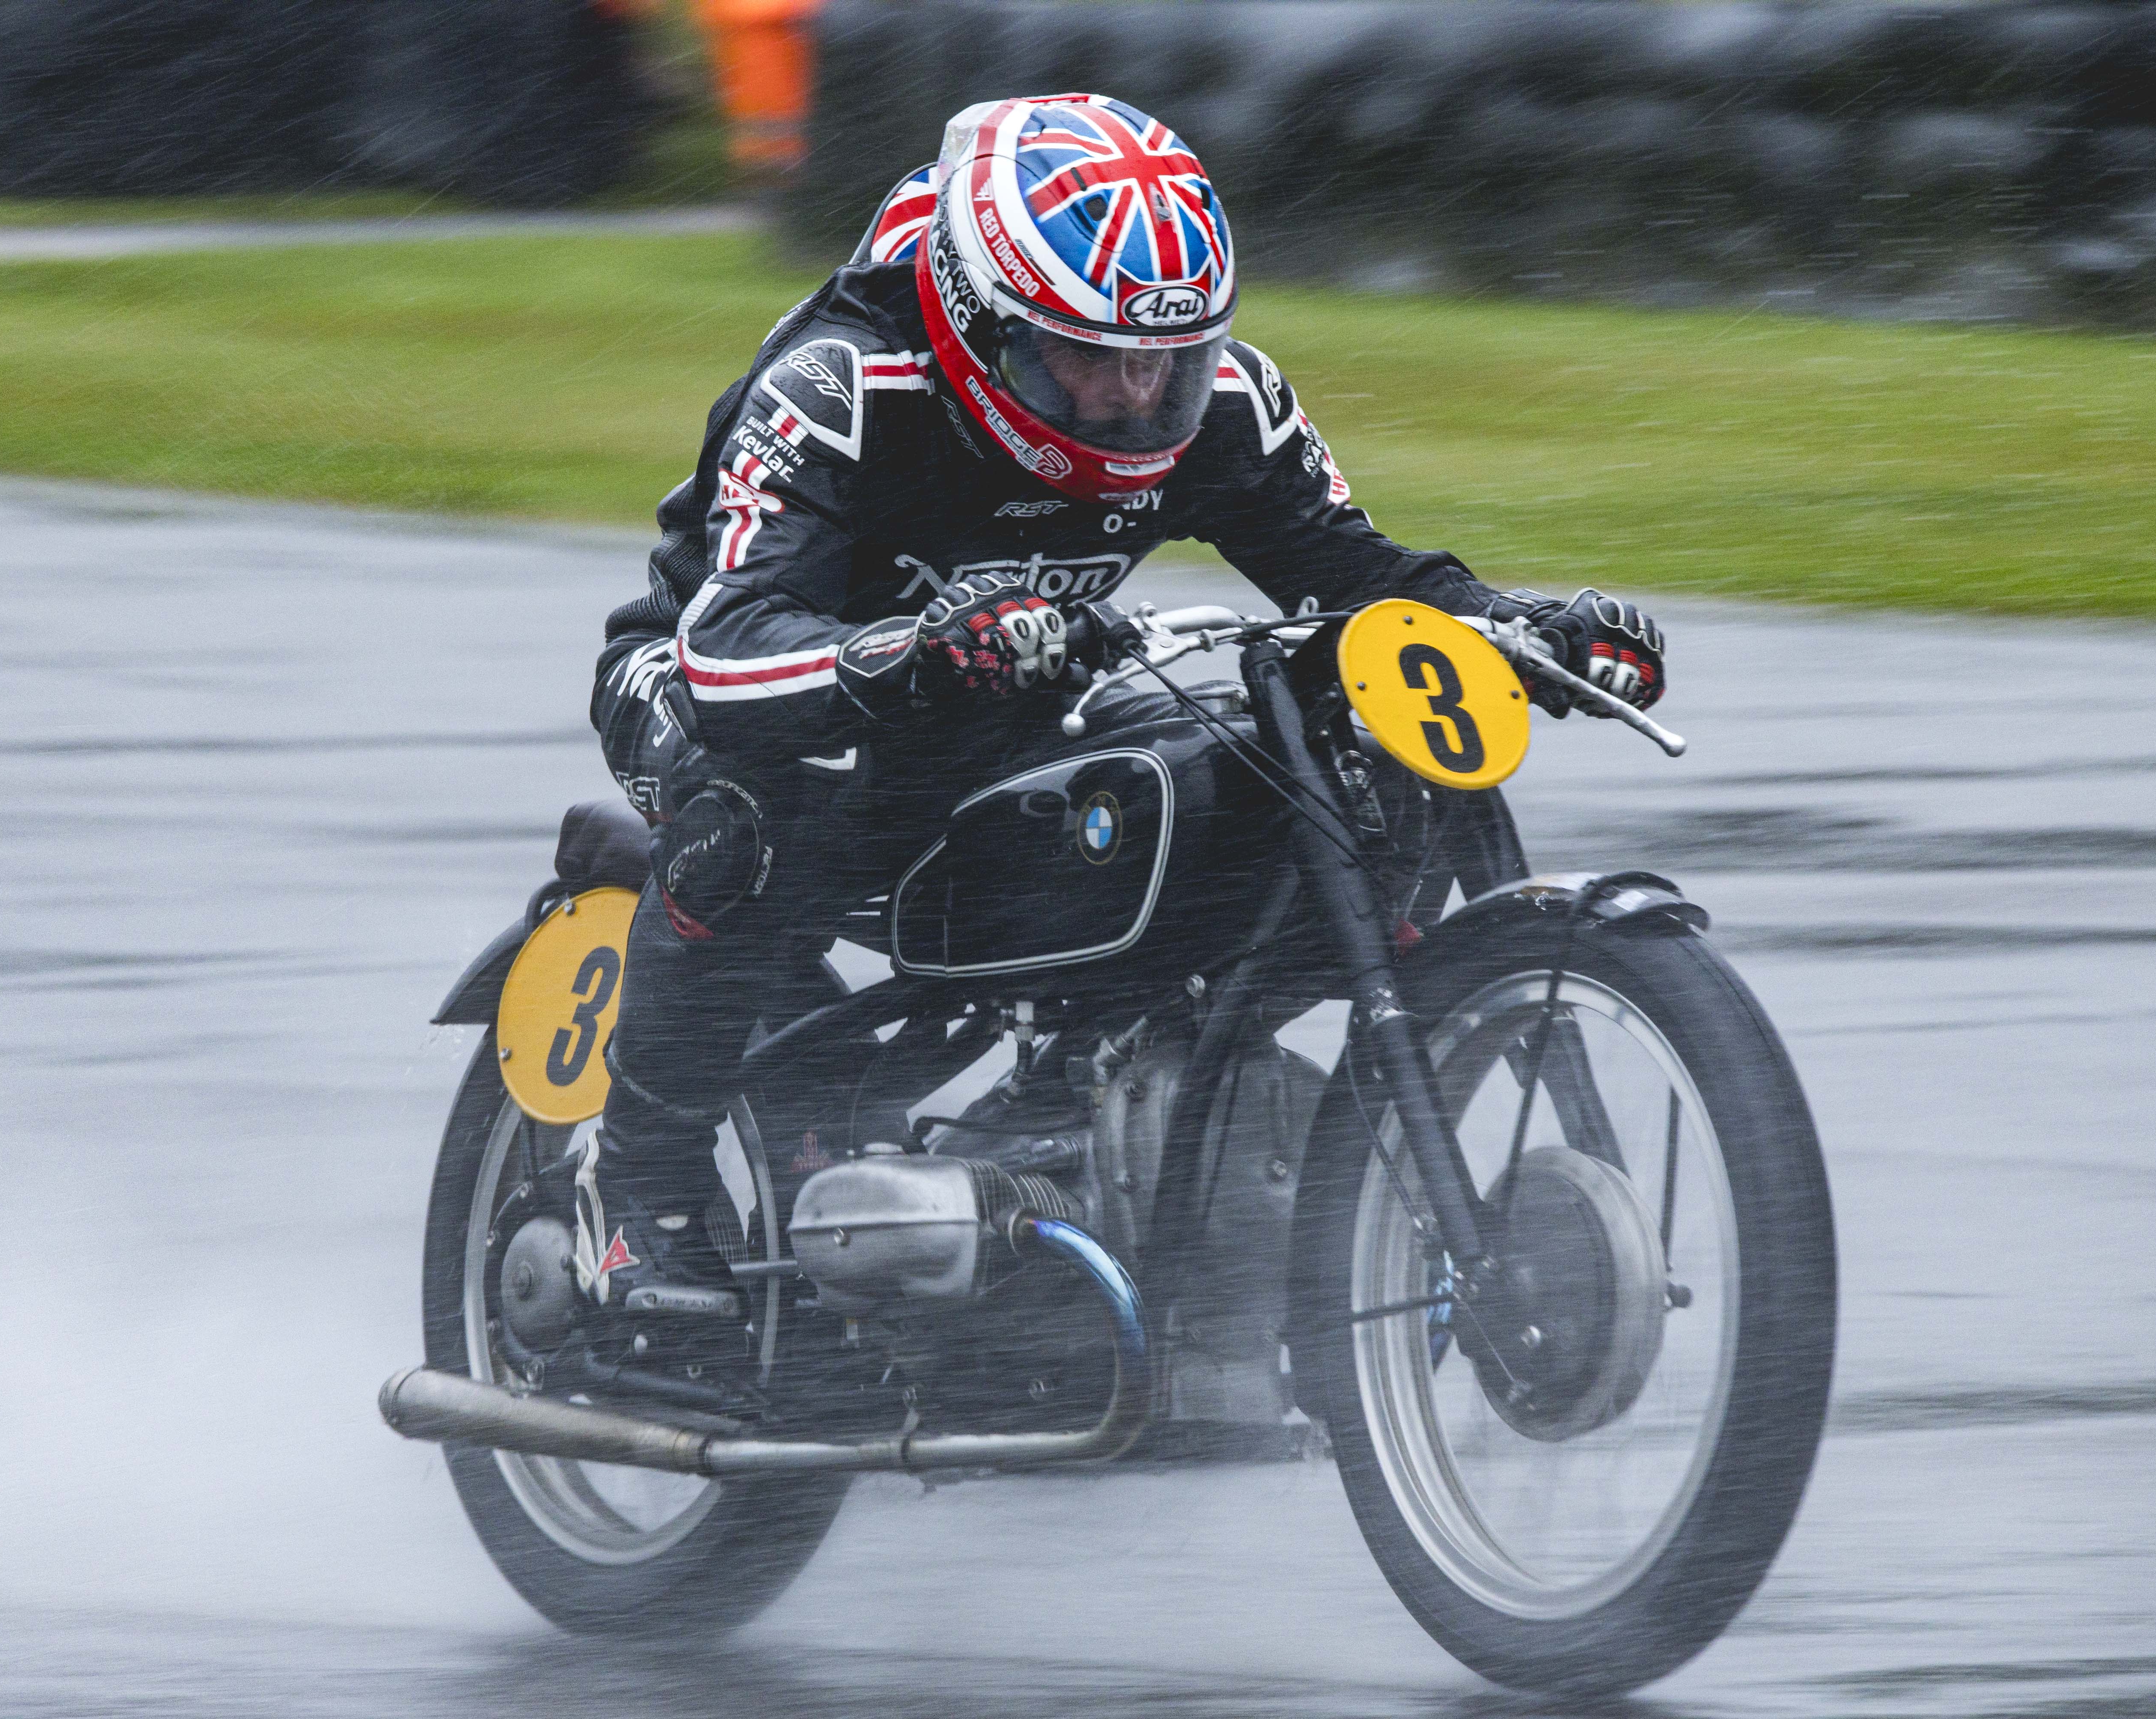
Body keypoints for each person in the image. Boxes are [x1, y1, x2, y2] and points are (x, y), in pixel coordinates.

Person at [575, 94, 1666, 1333]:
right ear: (981, 322)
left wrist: (1516, 629)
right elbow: (725, 653)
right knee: (754, 814)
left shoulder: (1224, 408)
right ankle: (639, 1194)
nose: (1134, 397)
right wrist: (912, 652)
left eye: (1167, 361)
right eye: (1087, 357)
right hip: (724, 688)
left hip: (1012, 695)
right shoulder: (845, 386)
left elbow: (1358, 573)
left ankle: (1073, 1097)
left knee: (1296, 775)